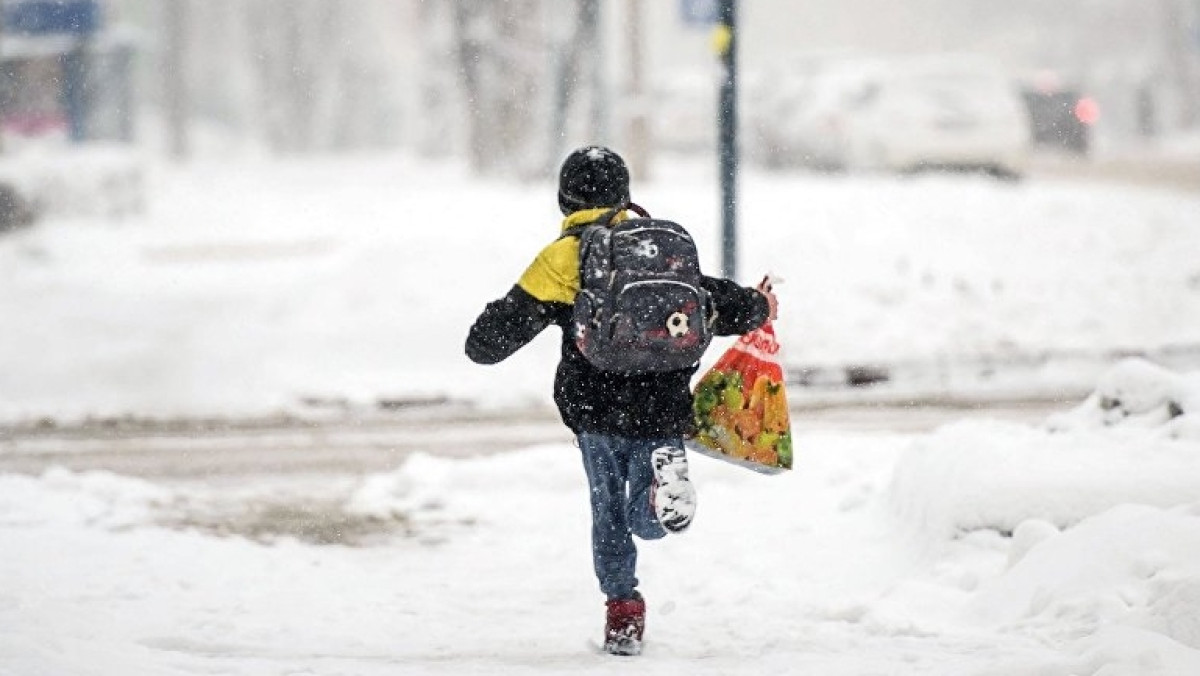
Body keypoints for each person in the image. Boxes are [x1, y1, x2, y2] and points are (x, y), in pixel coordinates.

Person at [465, 145, 777, 656]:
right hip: (664, 402)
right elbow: (716, 301)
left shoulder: (564, 257)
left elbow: (487, 345)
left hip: (597, 407)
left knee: (608, 511)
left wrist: (496, 319)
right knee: (643, 517)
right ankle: (658, 495)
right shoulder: (660, 247)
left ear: (565, 199)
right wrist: (761, 303)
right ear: (626, 194)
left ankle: (623, 612)